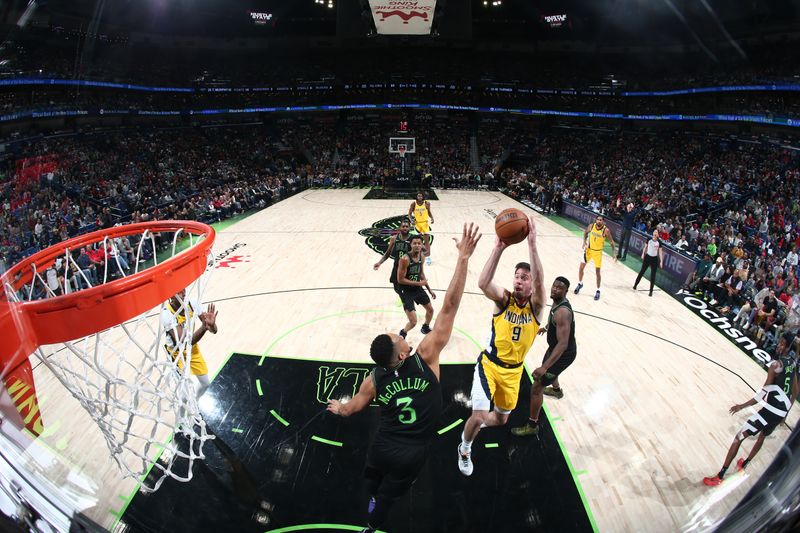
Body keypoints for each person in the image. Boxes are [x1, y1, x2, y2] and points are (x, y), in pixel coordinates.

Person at [327, 223, 482, 533]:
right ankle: (372, 525)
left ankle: (369, 499)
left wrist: (339, 409)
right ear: (400, 356)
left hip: (381, 445)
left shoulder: (374, 379)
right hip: (411, 454)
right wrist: (463, 260)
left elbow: (354, 407)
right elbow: (449, 307)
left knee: (372, 477)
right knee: (390, 496)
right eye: (398, 338)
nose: (400, 335)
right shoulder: (424, 356)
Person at [458, 216, 545, 476]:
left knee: (500, 419)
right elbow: (483, 283)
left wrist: (532, 244)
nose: (519, 280)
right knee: (478, 415)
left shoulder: (536, 307)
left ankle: (476, 426)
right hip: (489, 366)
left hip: (514, 372)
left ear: (531, 285)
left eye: (525, 278)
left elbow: (542, 283)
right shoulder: (504, 300)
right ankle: (464, 447)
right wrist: (498, 248)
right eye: (517, 276)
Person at [703, 333, 799, 486]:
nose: (778, 346)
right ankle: (745, 464)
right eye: (779, 342)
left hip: (770, 411)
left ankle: (720, 476)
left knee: (738, 437)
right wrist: (786, 414)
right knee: (762, 436)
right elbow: (795, 390)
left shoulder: (775, 365)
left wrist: (742, 406)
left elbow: (762, 394)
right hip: (780, 412)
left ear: (788, 346)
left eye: (782, 343)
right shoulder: (793, 363)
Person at [512, 276, 577, 435]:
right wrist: (547, 328)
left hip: (563, 353)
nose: (555, 289)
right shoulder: (557, 304)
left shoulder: (562, 312)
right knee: (550, 372)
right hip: (556, 349)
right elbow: (555, 320)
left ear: (566, 291)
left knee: (536, 387)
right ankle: (556, 391)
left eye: (559, 288)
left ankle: (532, 426)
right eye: (554, 286)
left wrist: (544, 367)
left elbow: (563, 344)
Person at [161, 288, 217, 399]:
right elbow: (184, 342)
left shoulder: (192, 303)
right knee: (185, 394)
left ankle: (195, 404)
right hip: (177, 354)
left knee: (206, 384)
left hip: (193, 350)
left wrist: (211, 325)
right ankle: (182, 416)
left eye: (184, 290)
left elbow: (214, 331)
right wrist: (204, 328)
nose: (184, 292)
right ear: (171, 296)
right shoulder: (166, 314)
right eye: (179, 291)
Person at [396, 234, 436, 338]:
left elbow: (421, 273)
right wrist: (419, 283)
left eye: (419, 243)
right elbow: (400, 280)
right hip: (406, 291)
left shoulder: (422, 256)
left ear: (422, 245)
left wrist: (429, 289)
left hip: (417, 288)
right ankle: (403, 332)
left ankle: (425, 327)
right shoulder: (404, 259)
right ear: (411, 244)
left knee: (431, 310)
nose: (417, 245)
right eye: (415, 243)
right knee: (413, 322)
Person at [574, 215, 616, 301]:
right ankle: (580, 283)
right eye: (598, 219)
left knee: (597, 272)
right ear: (596, 220)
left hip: (597, 252)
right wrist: (584, 242)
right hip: (588, 250)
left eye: (601, 220)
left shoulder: (606, 230)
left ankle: (598, 290)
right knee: (581, 268)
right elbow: (585, 232)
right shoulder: (591, 226)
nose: (599, 221)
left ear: (603, 222)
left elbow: (611, 242)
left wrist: (614, 253)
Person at [374, 219, 412, 305]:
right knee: (396, 288)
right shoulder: (394, 238)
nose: (405, 228)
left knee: (407, 286)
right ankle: (402, 297)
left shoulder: (413, 239)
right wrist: (379, 263)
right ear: (400, 228)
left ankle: (406, 300)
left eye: (407, 226)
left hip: (408, 268)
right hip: (396, 266)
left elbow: (421, 252)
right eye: (403, 226)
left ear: (410, 228)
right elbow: (387, 253)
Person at [633, 229, 665, 297]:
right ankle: (635, 285)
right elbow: (645, 247)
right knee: (642, 272)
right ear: (653, 233)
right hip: (647, 257)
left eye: (656, 232)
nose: (655, 233)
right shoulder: (649, 239)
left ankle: (651, 291)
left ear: (658, 234)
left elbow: (660, 252)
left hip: (654, 259)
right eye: (654, 232)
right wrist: (642, 254)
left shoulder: (659, 242)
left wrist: (661, 261)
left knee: (653, 276)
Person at [409, 192, 434, 263]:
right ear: (416, 197)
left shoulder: (427, 203)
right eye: (418, 196)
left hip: (425, 224)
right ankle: (415, 255)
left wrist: (432, 218)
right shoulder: (413, 204)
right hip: (417, 224)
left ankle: (428, 257)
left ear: (423, 197)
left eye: (421, 196)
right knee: (416, 241)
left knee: (426, 241)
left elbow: (429, 212)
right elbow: (409, 214)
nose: (419, 197)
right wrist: (411, 220)